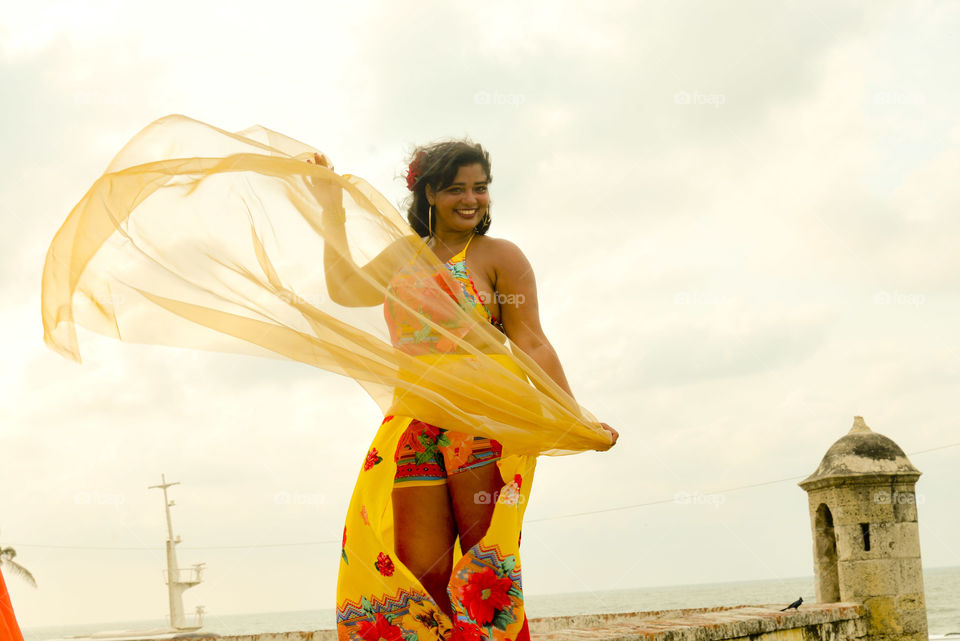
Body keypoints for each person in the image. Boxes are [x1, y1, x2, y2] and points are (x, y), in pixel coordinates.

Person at [309, 141, 618, 639]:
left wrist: (574, 413)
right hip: (415, 424)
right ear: (429, 192)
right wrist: (330, 208)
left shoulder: (501, 257)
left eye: (479, 188)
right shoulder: (403, 255)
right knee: (419, 571)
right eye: (456, 188)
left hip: (482, 425)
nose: (471, 199)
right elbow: (344, 288)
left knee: (483, 569)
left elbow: (532, 342)